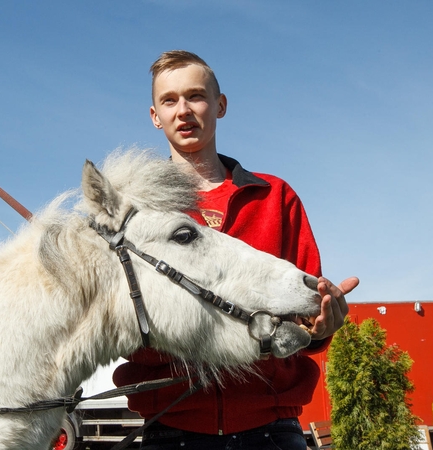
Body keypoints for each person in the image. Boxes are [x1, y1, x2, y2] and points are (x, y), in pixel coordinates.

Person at [113, 50, 359, 450]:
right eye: (169, 100)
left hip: (272, 430)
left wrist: (320, 325)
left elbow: (306, 320)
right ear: (155, 116)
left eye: (195, 96)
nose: (183, 110)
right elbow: (118, 319)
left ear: (220, 105)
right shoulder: (136, 213)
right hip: (168, 428)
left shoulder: (275, 197)